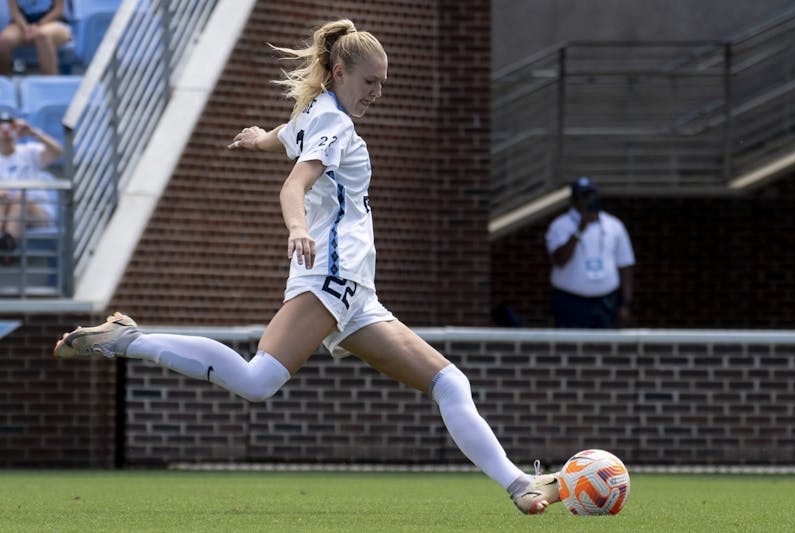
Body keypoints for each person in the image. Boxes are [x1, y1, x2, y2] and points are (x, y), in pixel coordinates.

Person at [53, 19, 562, 515]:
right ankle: (125, 339)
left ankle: (518, 483)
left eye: (383, 83)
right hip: (331, 275)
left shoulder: (319, 112)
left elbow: (288, 134)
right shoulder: (333, 123)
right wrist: (297, 228)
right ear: (339, 72)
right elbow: (293, 184)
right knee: (258, 381)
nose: (377, 93)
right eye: (370, 82)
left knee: (449, 383)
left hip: (357, 292)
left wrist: (257, 139)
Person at [545, 176, 635, 328]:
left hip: (606, 302)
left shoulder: (614, 225)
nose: (588, 200)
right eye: (584, 197)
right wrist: (579, 230)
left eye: (591, 195)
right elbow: (560, 260)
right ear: (573, 201)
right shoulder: (560, 226)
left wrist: (626, 304)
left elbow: (625, 264)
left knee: (604, 347)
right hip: (571, 302)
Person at [0, 110, 60, 262]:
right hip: (6, 212)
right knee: (4, 200)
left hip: (37, 213)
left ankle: (7, 249)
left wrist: (34, 132)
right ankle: (6, 247)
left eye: (9, 126)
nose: (5, 131)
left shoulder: (30, 151)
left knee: (20, 199)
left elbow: (57, 152)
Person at [0, 0, 72, 75]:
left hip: (52, 21)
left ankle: (51, 82)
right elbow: (14, 12)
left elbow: (58, 10)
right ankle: (3, 82)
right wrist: (25, 28)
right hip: (22, 23)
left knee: (42, 36)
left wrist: (37, 26)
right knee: (5, 40)